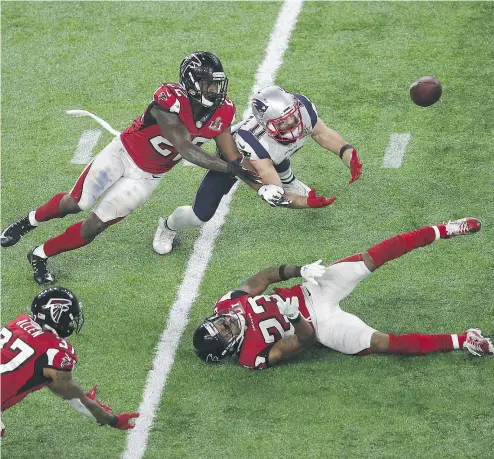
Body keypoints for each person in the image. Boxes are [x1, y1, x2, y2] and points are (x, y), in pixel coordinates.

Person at [0, 51, 258, 284]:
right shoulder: (169, 99)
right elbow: (185, 147)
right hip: (122, 154)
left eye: (216, 83)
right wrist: (229, 169)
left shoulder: (223, 110)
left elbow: (230, 152)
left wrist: (251, 175)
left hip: (148, 177)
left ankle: (39, 254)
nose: (214, 89)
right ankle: (29, 221)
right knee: (75, 203)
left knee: (93, 228)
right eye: (208, 84)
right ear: (191, 83)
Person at [192, 217, 492, 369]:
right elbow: (305, 342)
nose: (225, 322)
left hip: (313, 288)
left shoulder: (227, 303)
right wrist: (294, 317)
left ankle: (444, 229)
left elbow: (266, 276)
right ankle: (465, 340)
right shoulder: (250, 356)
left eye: (218, 322)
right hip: (322, 327)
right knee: (383, 342)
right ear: (229, 348)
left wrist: (300, 270)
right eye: (223, 331)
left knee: (373, 258)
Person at [152, 85, 363, 255]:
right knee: (201, 214)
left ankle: (290, 178)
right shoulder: (254, 142)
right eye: (282, 123)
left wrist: (348, 154)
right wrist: (307, 203)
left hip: (267, 153)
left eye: (291, 116)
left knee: (283, 146)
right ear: (265, 125)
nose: (291, 123)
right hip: (236, 161)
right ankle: (167, 226)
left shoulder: (302, 107)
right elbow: (275, 194)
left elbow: (322, 134)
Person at [1, 287, 139, 436]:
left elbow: (34, 370)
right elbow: (77, 399)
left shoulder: (18, 323)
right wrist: (114, 420)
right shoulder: (56, 353)